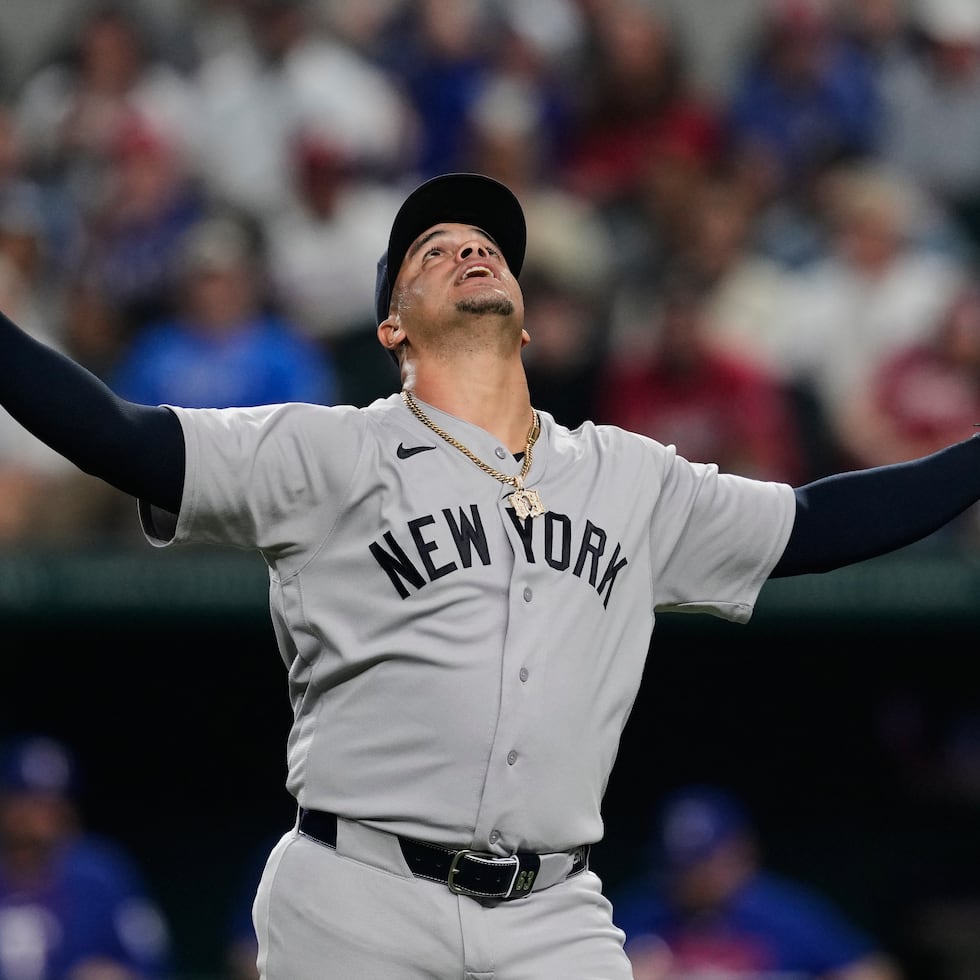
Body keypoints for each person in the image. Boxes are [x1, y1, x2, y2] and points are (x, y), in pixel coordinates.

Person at [4, 171, 980, 978]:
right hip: (357, 893)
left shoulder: (623, 472)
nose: (468, 248)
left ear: (520, 314)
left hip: (551, 909)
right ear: (392, 326)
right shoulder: (328, 452)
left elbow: (812, 524)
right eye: (434, 251)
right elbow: (120, 439)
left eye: (486, 245)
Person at [613, 784, 902, 980]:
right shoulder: (641, 911)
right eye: (680, 864)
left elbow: (876, 971)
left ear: (741, 851)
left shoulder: (784, 910)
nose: (694, 877)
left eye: (705, 862)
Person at [0, 734, 172, 979]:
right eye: (29, 800)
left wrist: (117, 974)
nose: (42, 816)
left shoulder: (102, 873)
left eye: (55, 801)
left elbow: (154, 961)